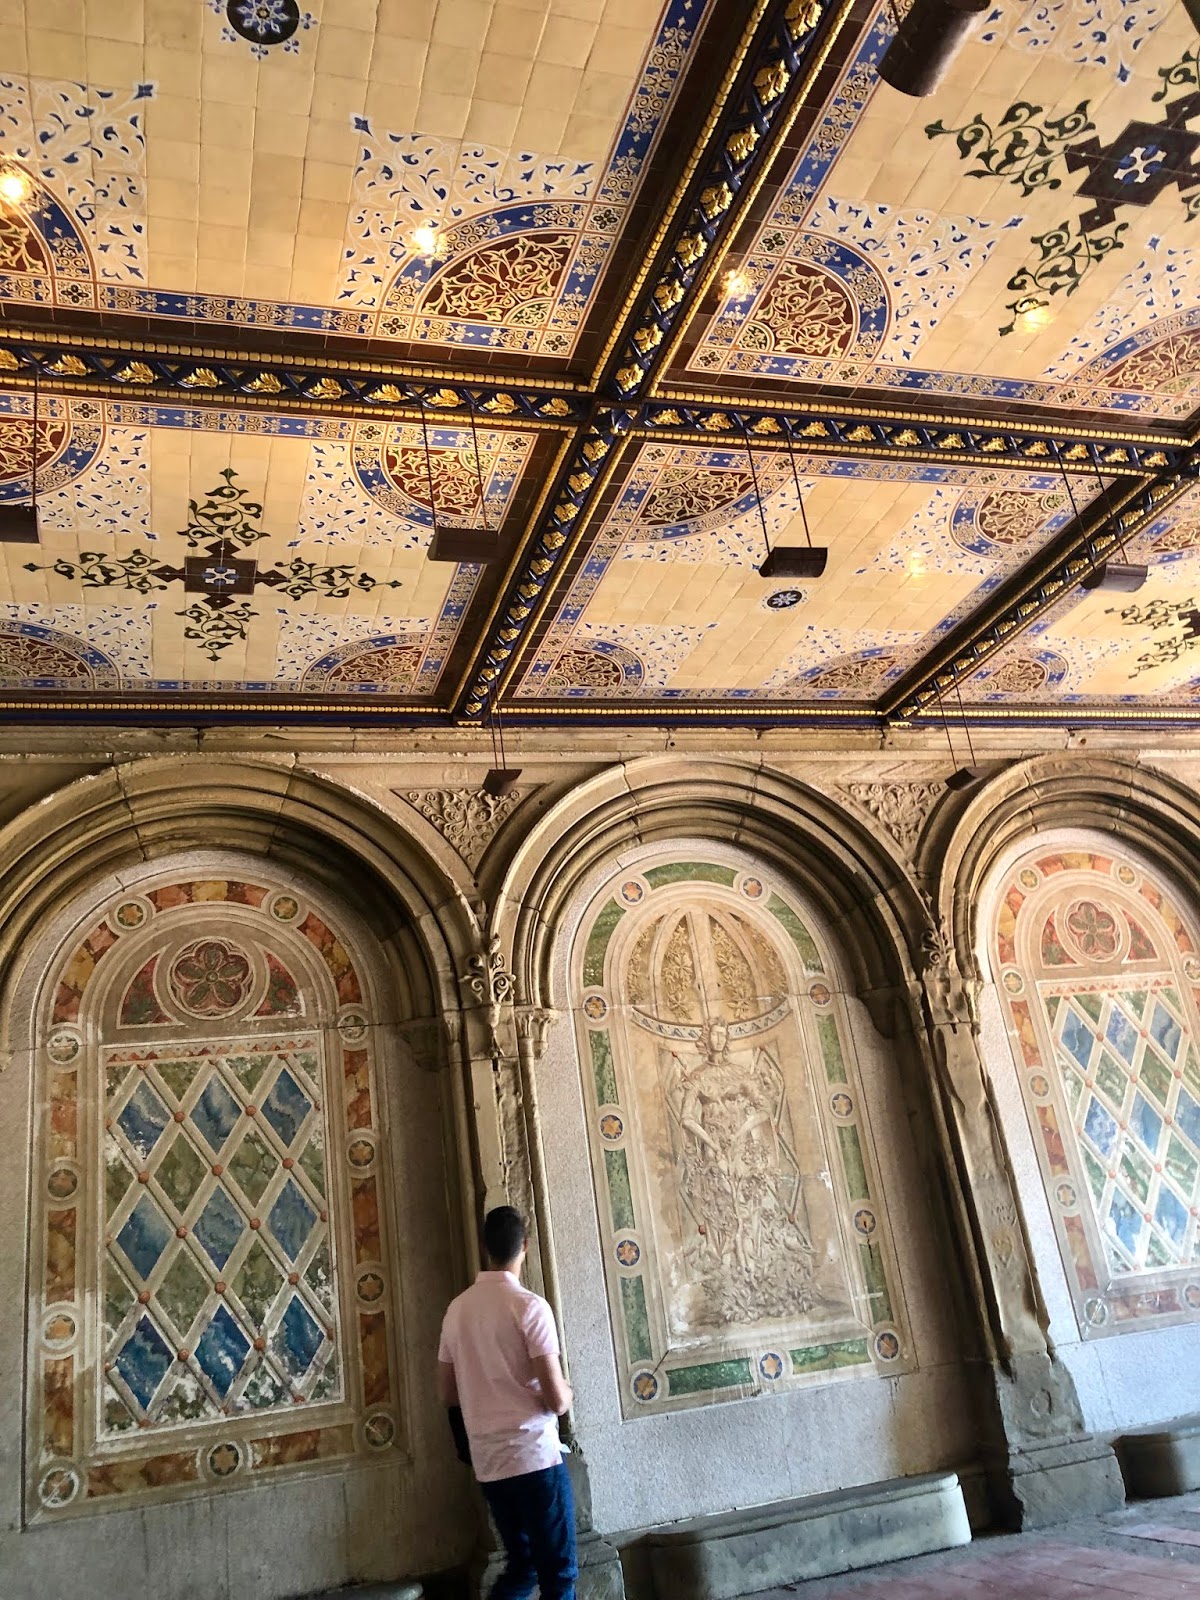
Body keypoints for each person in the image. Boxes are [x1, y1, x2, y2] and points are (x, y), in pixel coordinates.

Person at [437, 1206, 577, 1600]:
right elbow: (557, 1400)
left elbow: (447, 1393)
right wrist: (567, 1391)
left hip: (490, 1463)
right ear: (525, 1247)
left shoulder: (456, 1311)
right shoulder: (529, 1306)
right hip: (534, 1458)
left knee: (522, 1567)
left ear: (486, 1248)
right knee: (559, 1576)